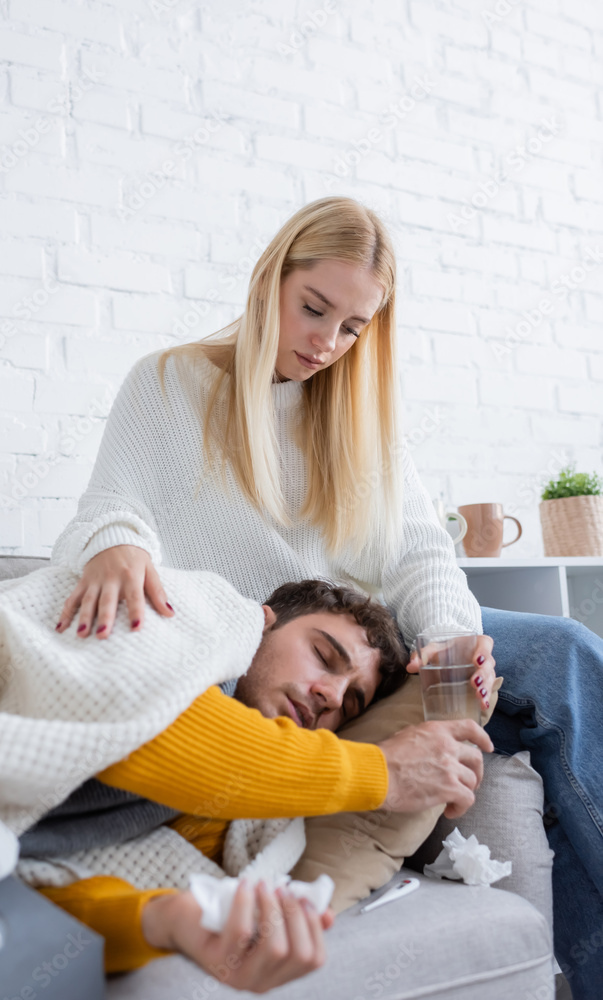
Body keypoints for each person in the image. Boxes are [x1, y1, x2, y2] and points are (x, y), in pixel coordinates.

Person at [50, 196, 603, 1000]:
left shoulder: (360, 412)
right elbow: (104, 511)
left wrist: (451, 632)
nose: (327, 343)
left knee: (562, 650)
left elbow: (419, 550)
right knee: (558, 656)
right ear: (269, 278)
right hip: (292, 656)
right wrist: (119, 542)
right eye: (314, 309)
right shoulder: (171, 383)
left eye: (352, 327)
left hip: (392, 648)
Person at [26, 577, 494, 988]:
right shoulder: (176, 624)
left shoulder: (236, 822)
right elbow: (148, 722)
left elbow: (36, 904)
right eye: (323, 656)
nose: (330, 695)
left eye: (350, 705)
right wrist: (381, 771)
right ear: (261, 623)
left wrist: (164, 919)